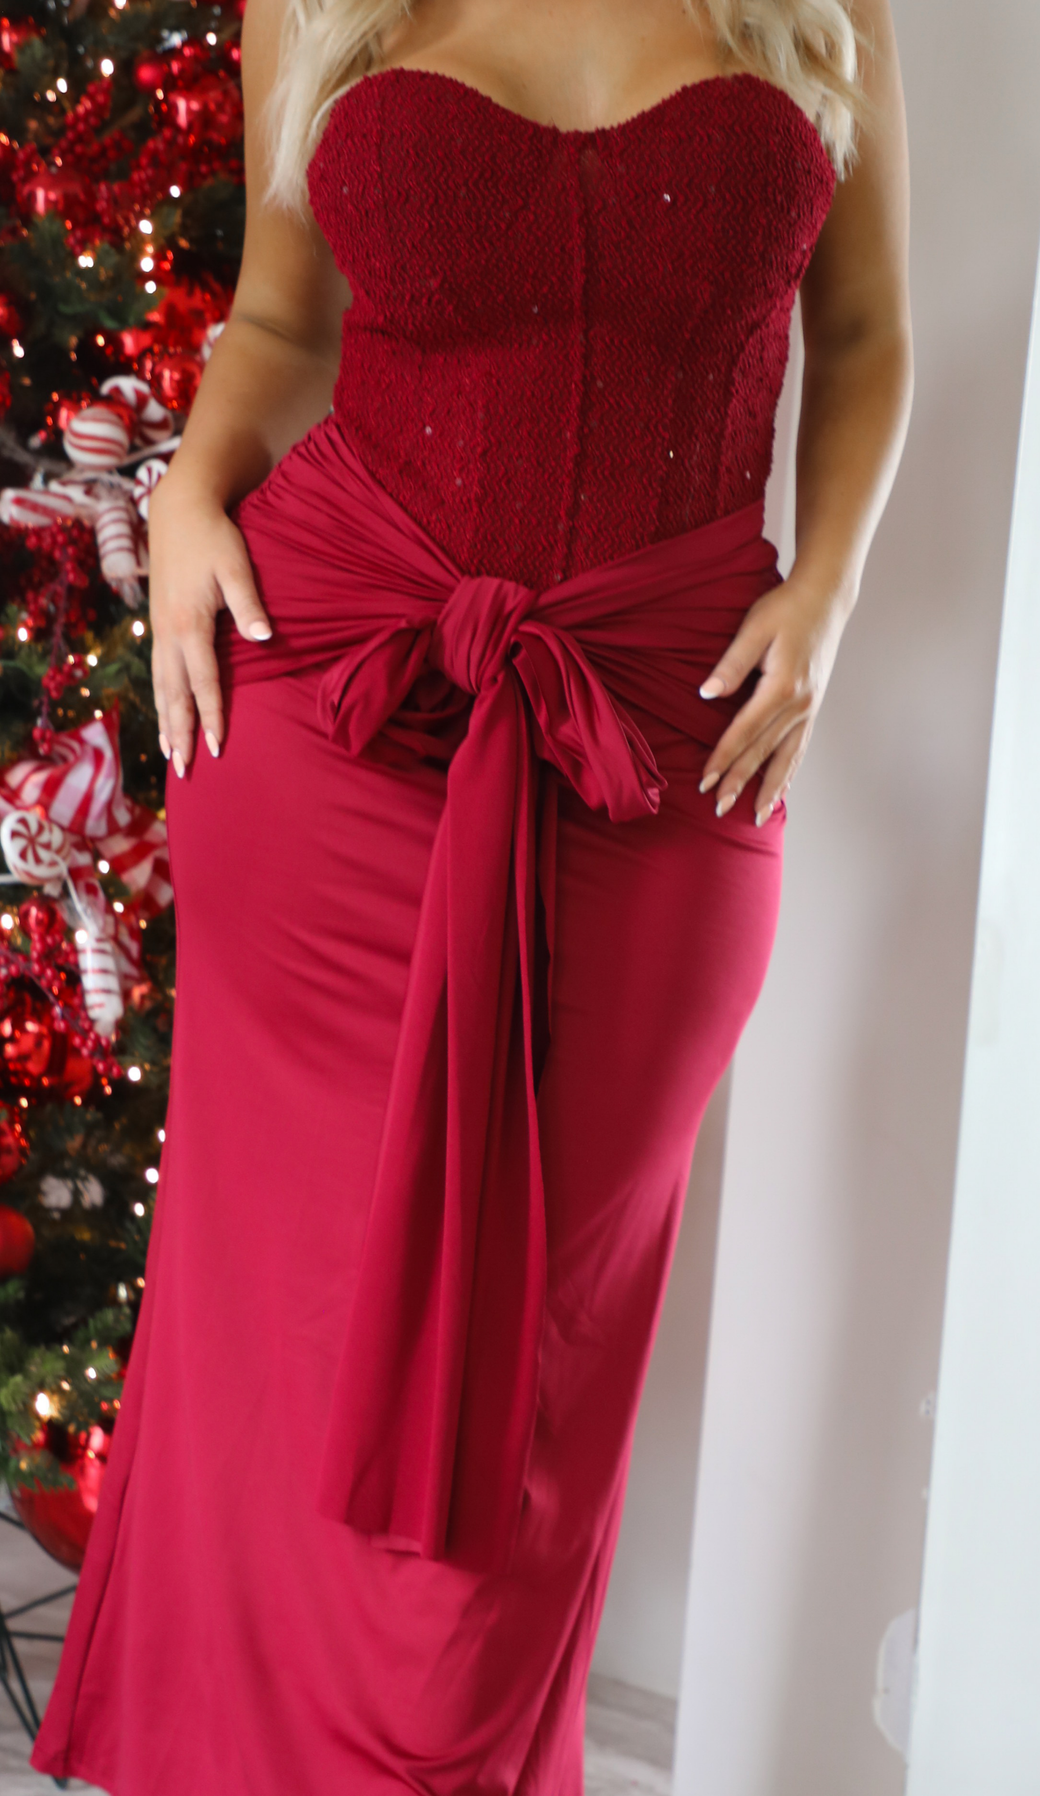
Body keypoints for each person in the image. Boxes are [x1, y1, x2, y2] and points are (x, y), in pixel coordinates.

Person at [31, 0, 912, 1789]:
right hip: (336, 701)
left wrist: (820, 601)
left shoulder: (820, 11)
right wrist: (196, 498)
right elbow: (285, 317)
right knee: (291, 1347)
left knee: (533, 1384)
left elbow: (872, 329)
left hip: (664, 735)